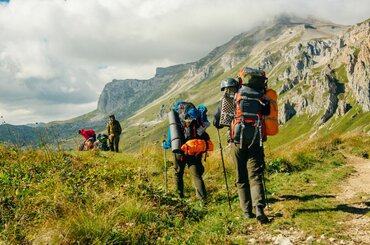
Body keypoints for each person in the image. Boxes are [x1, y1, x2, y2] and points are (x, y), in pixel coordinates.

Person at [214, 70, 271, 224]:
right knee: (255, 174)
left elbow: (219, 121)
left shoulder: (232, 95)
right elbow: (267, 112)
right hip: (256, 138)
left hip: (237, 141)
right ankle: (259, 208)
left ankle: (246, 212)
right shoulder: (259, 94)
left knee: (241, 176)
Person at [163, 101, 211, 202]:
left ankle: (179, 197)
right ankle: (203, 200)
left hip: (180, 151)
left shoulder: (175, 122)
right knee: (196, 175)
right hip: (193, 150)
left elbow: (170, 139)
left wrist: (165, 145)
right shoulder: (196, 119)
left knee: (178, 173)